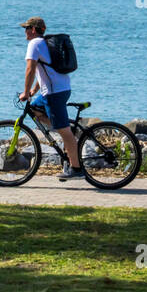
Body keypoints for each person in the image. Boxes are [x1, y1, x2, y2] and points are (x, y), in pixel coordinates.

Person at [17, 16, 84, 180]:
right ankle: (66, 135)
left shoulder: (34, 44)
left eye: (26, 28)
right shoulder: (44, 44)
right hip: (60, 89)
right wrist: (33, 90)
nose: (24, 31)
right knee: (34, 109)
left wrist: (25, 92)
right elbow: (46, 71)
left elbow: (30, 70)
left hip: (54, 94)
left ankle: (76, 169)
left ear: (33, 29)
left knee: (64, 131)